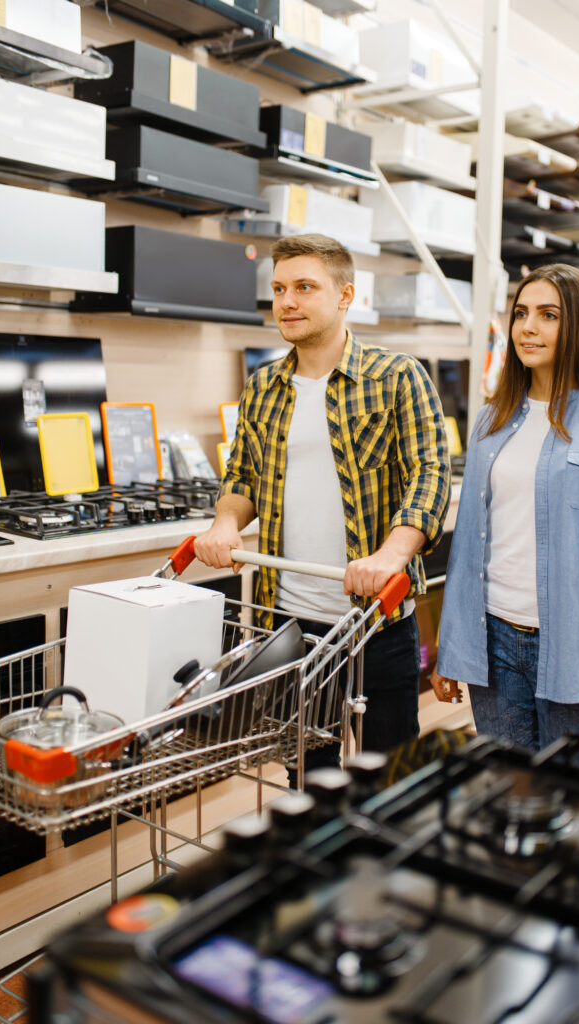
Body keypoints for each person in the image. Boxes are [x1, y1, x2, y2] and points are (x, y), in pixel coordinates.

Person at [194, 233, 450, 772]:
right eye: (280, 288)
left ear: (344, 295)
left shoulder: (397, 376)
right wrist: (225, 525)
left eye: (305, 287)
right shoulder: (263, 386)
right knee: (308, 774)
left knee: (393, 772)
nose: (286, 301)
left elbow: (430, 475)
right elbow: (243, 476)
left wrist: (391, 556)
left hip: (375, 621)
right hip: (290, 623)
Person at [432, 263, 579, 751]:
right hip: (492, 642)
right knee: (511, 796)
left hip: (576, 648)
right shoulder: (489, 421)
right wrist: (453, 647)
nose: (528, 328)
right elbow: (469, 546)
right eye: (521, 313)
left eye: (548, 315)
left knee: (573, 799)